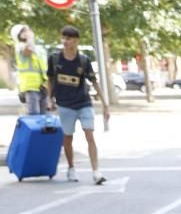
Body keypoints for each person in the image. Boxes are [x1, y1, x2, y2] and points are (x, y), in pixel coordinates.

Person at [46, 26, 110, 184]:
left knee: (90, 134)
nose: (65, 41)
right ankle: (71, 168)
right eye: (63, 38)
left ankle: (96, 172)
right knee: (68, 137)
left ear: (76, 41)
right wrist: (49, 99)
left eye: (68, 39)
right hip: (64, 104)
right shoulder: (55, 59)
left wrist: (105, 104)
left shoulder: (83, 60)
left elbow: (94, 82)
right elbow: (50, 80)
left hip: (83, 102)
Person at [12, 24, 47, 115]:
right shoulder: (20, 46)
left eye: (28, 30)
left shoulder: (38, 49)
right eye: (23, 31)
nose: (27, 32)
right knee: (34, 115)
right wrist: (30, 38)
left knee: (44, 116)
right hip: (30, 87)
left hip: (42, 86)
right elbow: (29, 50)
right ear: (18, 36)